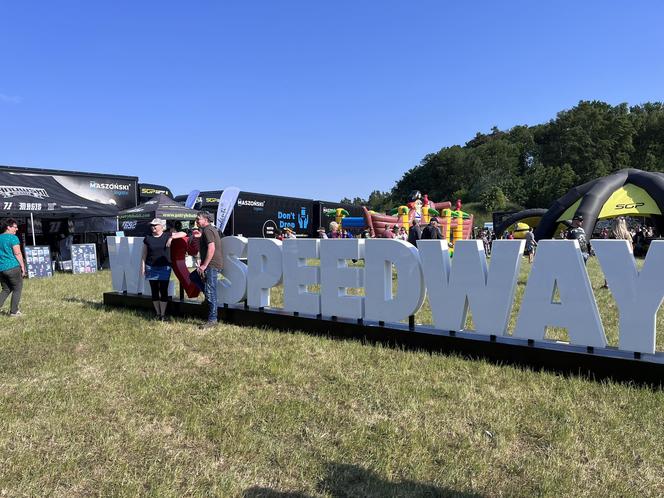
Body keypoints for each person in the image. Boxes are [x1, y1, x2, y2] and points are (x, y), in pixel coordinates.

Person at [141, 218, 187, 321]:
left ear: (162, 226)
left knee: (163, 290)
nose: (153, 227)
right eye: (152, 225)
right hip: (151, 266)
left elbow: (183, 233)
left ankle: (163, 314)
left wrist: (171, 238)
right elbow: (144, 254)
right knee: (154, 290)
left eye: (155, 225)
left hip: (165, 267)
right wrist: (143, 266)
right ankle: (157, 313)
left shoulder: (167, 235)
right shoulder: (147, 238)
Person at [195, 211, 224, 328]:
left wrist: (204, 265)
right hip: (211, 265)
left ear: (205, 220)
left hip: (211, 265)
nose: (196, 221)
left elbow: (211, 248)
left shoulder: (207, 230)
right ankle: (208, 298)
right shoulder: (208, 230)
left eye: (198, 219)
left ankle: (212, 319)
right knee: (194, 277)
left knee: (211, 291)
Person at [0, 218, 26, 317]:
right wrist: (23, 267)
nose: (17, 229)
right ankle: (14, 312)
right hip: (13, 267)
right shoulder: (13, 238)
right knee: (17, 289)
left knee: (6, 289)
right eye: (15, 227)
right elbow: (18, 253)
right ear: (8, 227)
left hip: (1, 268)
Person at [601, 216, 633, 289]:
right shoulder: (627, 233)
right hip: (623, 255)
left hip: (611, 254)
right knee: (623, 270)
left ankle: (607, 284)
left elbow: (605, 242)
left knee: (609, 269)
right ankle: (622, 284)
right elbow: (631, 246)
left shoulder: (610, 232)